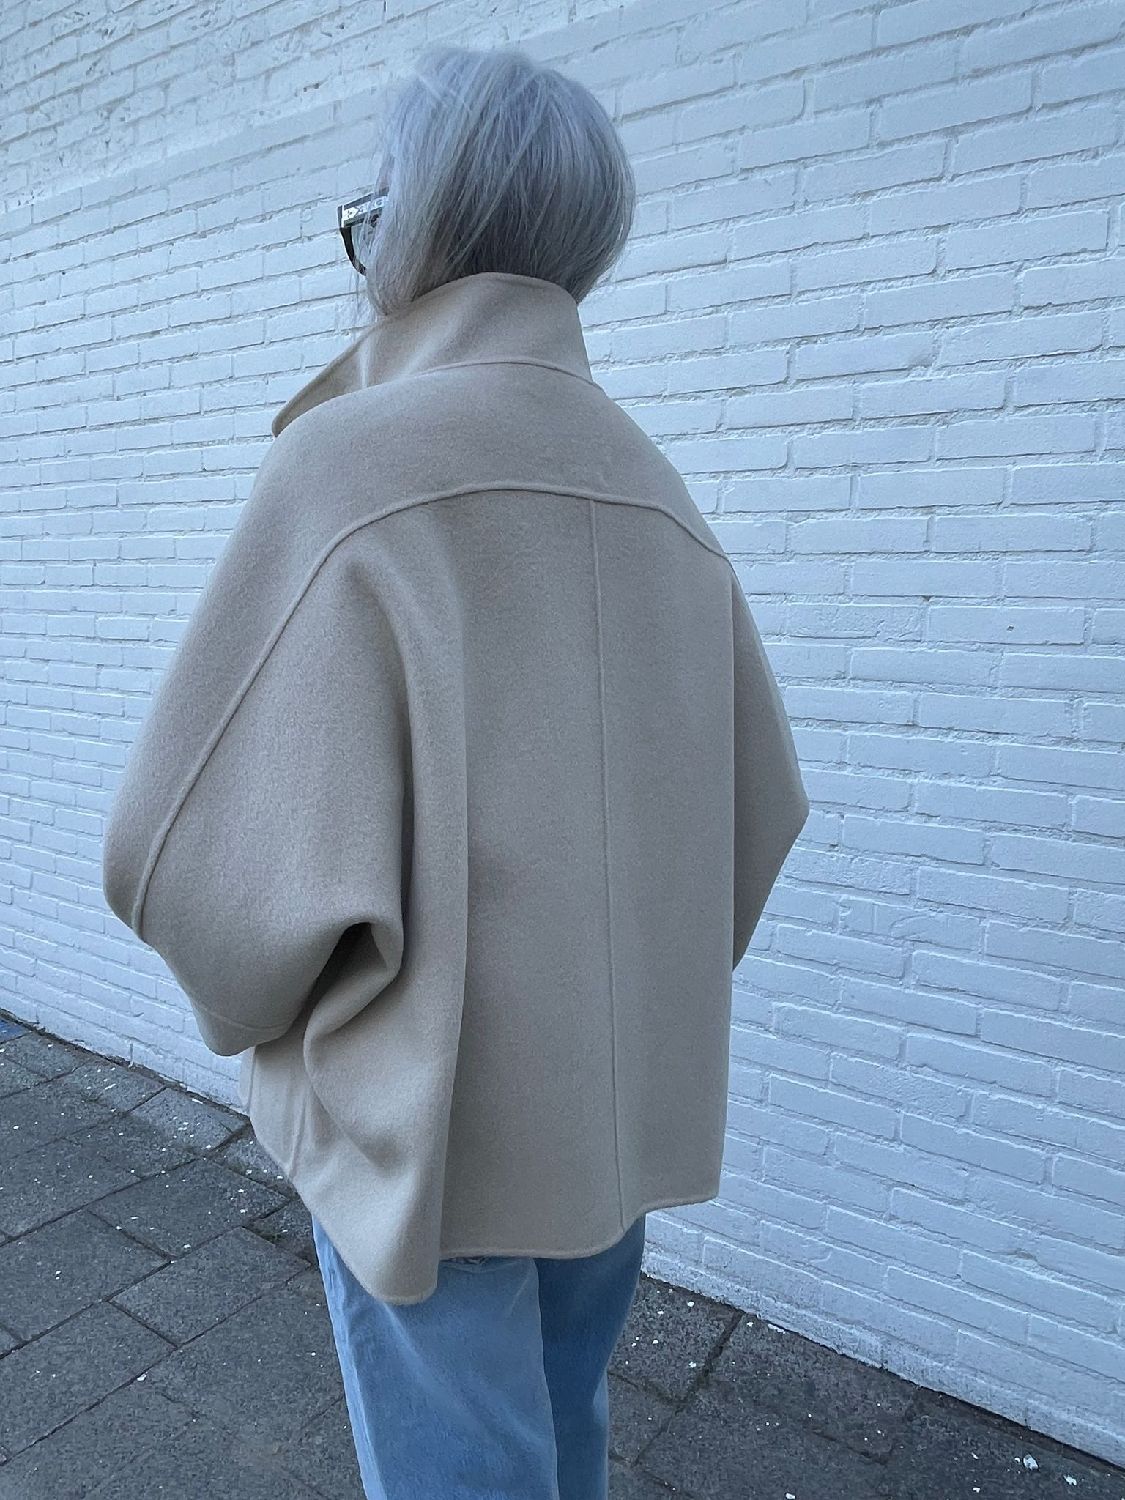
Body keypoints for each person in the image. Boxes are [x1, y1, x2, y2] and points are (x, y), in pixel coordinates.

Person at [101, 41, 809, 1500]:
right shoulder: (653, 487)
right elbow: (758, 814)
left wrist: (282, 1022)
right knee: (560, 1435)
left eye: (368, 213)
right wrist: (628, 992)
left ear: (412, 224)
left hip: (425, 1131)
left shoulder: (350, 467)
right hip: (607, 1116)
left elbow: (181, 865)